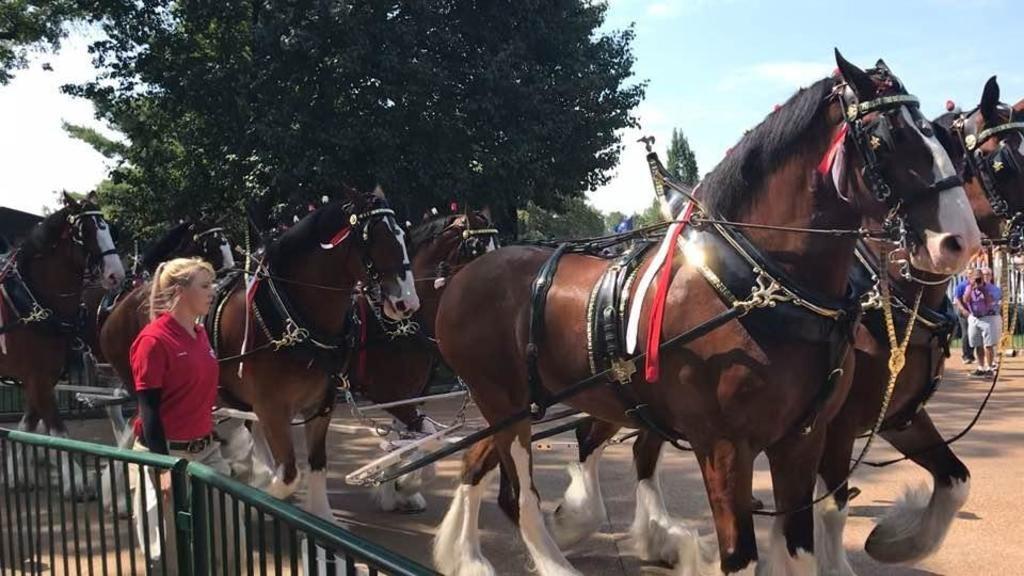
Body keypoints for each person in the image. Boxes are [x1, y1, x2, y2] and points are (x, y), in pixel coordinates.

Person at [129, 257, 236, 572]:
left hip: (207, 451)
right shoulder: (153, 340)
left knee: (229, 537)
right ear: (179, 291)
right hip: (167, 455)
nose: (213, 291)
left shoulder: (201, 334)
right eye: (204, 285)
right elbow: (149, 409)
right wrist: (163, 468)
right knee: (170, 553)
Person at [958, 267, 1002, 376]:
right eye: (975, 278)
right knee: (978, 344)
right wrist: (971, 288)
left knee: (988, 345)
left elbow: (989, 302)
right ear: (971, 279)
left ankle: (989, 368)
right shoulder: (968, 287)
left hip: (989, 318)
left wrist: (983, 289)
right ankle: (981, 367)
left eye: (979, 278)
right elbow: (966, 300)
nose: (977, 280)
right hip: (975, 317)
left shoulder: (993, 288)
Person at [953, 274, 976, 364]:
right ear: (969, 277)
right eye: (973, 277)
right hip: (964, 312)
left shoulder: (977, 285)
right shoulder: (962, 285)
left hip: (974, 312)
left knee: (973, 333)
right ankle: (966, 356)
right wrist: (963, 310)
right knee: (966, 333)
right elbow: (957, 299)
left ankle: (971, 355)